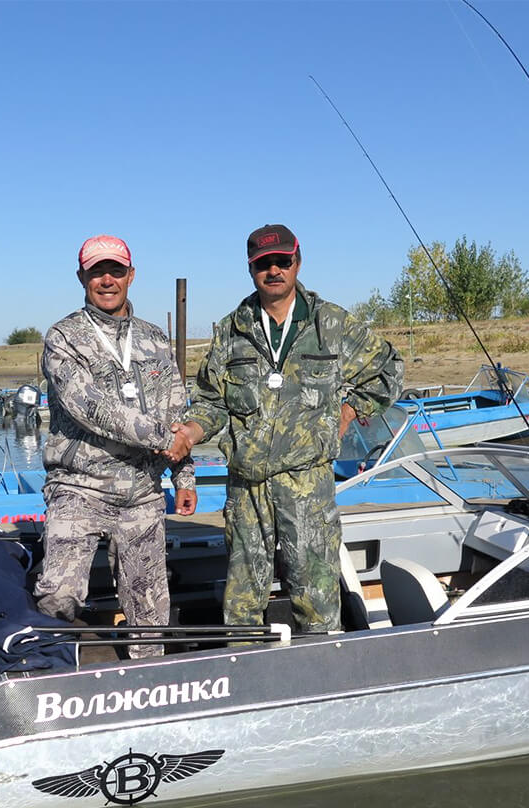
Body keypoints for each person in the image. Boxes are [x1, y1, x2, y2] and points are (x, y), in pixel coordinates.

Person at [165, 224, 402, 633]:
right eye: (263, 264)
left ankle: (322, 675)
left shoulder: (332, 323)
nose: (274, 270)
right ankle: (244, 675)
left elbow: (389, 371)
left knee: (316, 598)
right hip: (246, 488)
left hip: (308, 485)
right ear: (251, 268)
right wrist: (189, 433)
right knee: (241, 602)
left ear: (297, 260)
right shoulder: (230, 330)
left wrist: (348, 410)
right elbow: (211, 402)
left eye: (282, 261)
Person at [35, 235, 196, 656]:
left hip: (142, 493)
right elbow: (91, 407)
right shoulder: (63, 337)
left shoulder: (155, 338)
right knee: (58, 596)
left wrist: (185, 476)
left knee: (149, 618)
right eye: (96, 271)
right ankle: (45, 675)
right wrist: (165, 439)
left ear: (131, 275)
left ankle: (151, 685)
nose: (107, 280)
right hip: (79, 488)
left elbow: (177, 408)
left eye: (116, 270)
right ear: (81, 276)